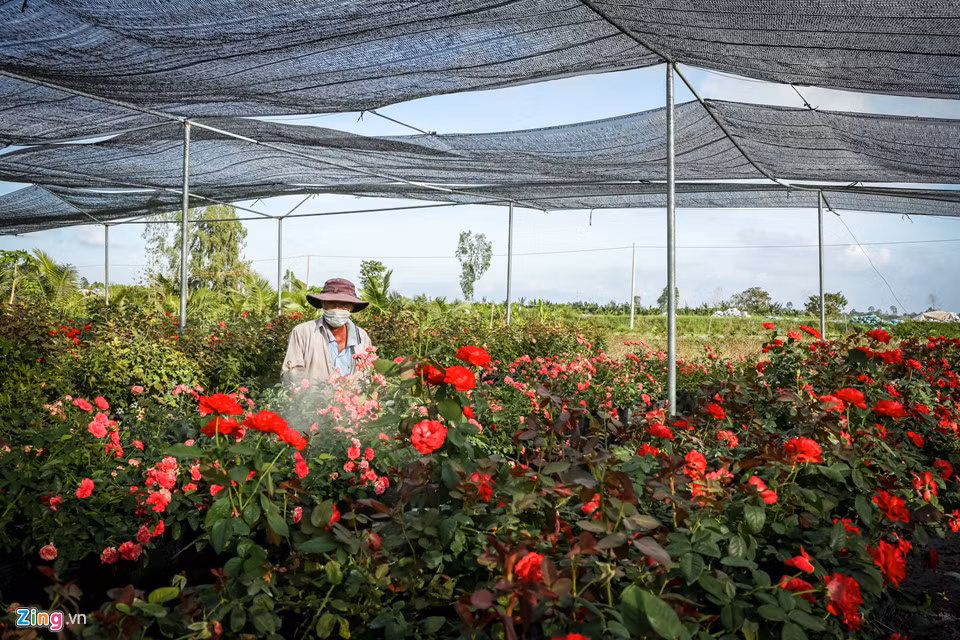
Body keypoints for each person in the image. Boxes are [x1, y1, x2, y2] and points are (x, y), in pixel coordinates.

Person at [281, 278, 374, 387]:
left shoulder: (362, 337)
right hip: (313, 402)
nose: (337, 309)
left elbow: (368, 374)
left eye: (344, 305)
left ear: (351, 307)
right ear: (323, 304)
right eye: (332, 304)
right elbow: (291, 374)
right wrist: (306, 398)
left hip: (353, 402)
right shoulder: (302, 333)